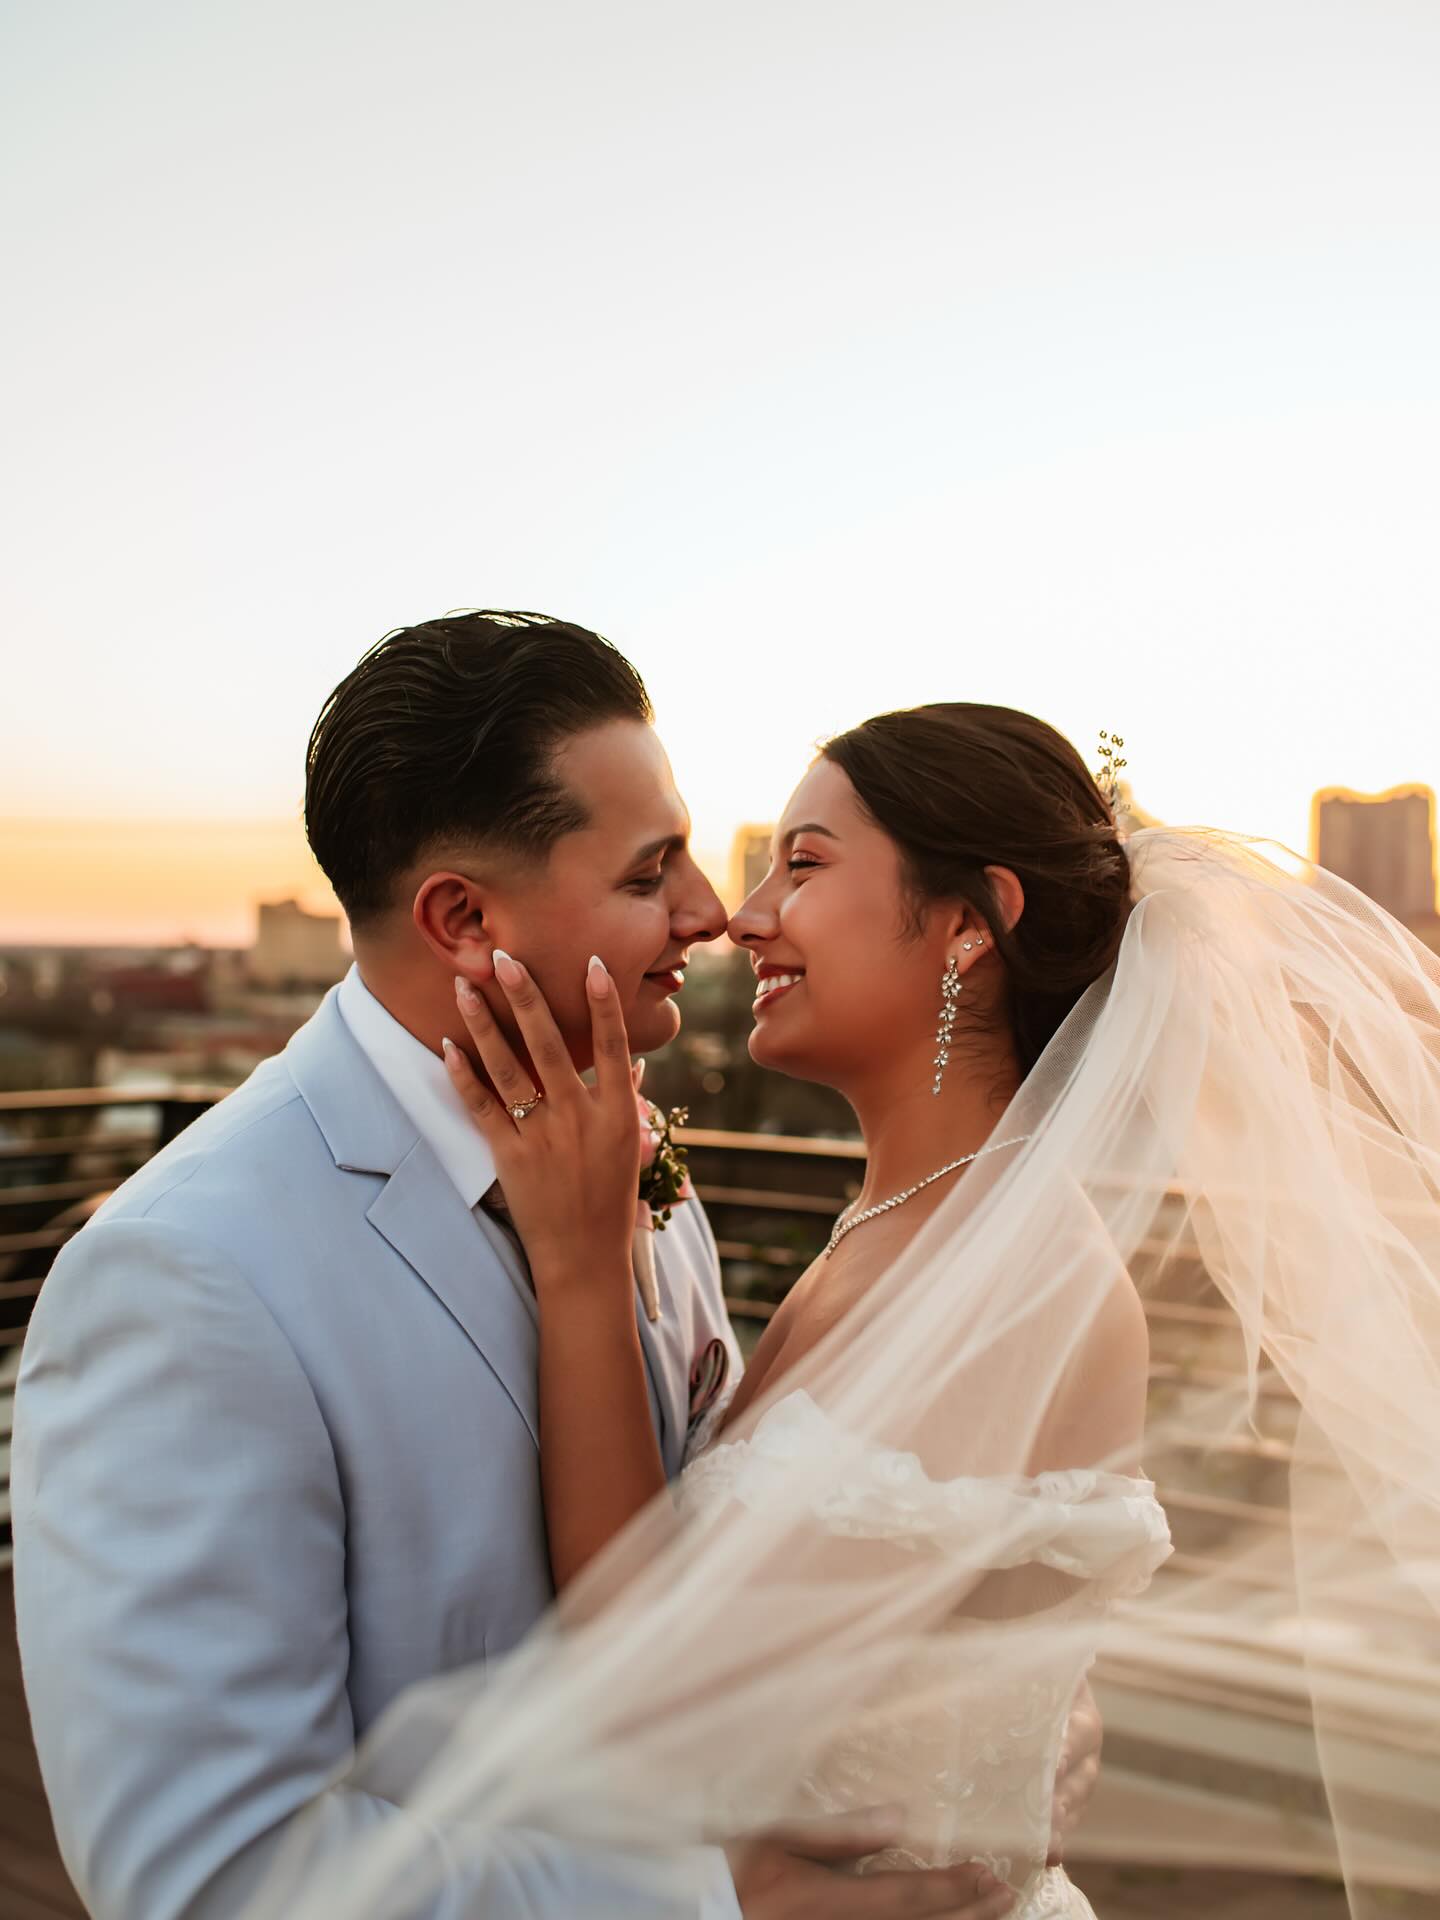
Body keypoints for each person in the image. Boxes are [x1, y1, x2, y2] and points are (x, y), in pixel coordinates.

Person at [13, 617, 1080, 1920]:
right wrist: (706, 1903)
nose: (711, 912)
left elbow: (721, 1577)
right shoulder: (188, 1278)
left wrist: (974, 1714)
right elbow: (210, 1871)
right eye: (650, 873)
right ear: (463, 918)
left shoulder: (628, 1162)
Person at [439, 703, 1163, 1918]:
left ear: (970, 924)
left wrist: (578, 1270)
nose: (746, 914)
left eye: (806, 864)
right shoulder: (897, 1223)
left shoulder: (1008, 1277)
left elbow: (650, 1690)